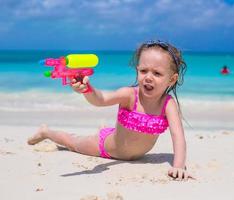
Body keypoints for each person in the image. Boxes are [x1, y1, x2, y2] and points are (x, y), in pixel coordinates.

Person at [27, 40, 192, 181]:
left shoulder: (168, 104)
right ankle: (46, 131)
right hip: (105, 148)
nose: (148, 77)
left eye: (157, 73)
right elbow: (101, 100)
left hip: (132, 152)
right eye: (143, 71)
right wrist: (87, 89)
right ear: (137, 70)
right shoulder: (129, 95)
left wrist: (178, 166)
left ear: (172, 79)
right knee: (73, 143)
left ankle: (103, 129)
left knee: (103, 132)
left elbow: (178, 137)